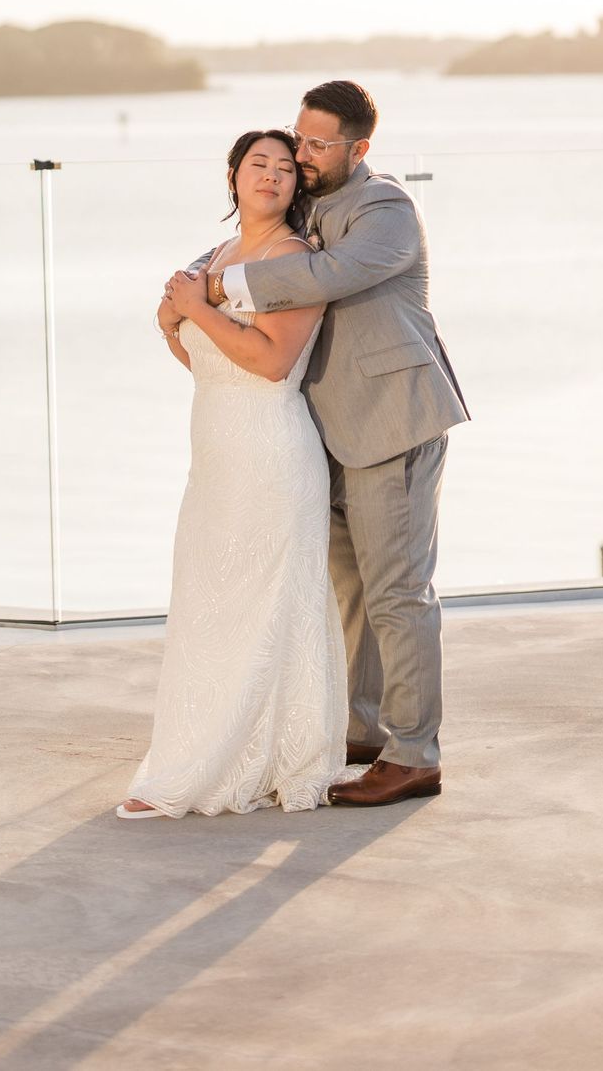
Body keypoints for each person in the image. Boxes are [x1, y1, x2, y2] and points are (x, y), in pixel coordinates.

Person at [166, 79, 468, 808]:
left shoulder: (384, 208)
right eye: (296, 139)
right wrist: (187, 289)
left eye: (314, 144)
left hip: (390, 420)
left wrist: (219, 290)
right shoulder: (305, 204)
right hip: (316, 433)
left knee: (397, 593)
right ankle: (361, 731)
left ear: (359, 148)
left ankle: (414, 754)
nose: (299, 155)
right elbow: (235, 258)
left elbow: (332, 274)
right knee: (352, 591)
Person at [117, 128, 349, 819]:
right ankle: (211, 749)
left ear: (297, 186)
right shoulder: (215, 258)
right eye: (259, 164)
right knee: (210, 603)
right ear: (233, 175)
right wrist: (173, 323)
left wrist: (193, 311)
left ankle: (249, 763)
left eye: (285, 168)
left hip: (273, 454)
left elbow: (273, 363)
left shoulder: (296, 259)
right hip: (215, 454)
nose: (273, 176)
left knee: (265, 606)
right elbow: (212, 363)